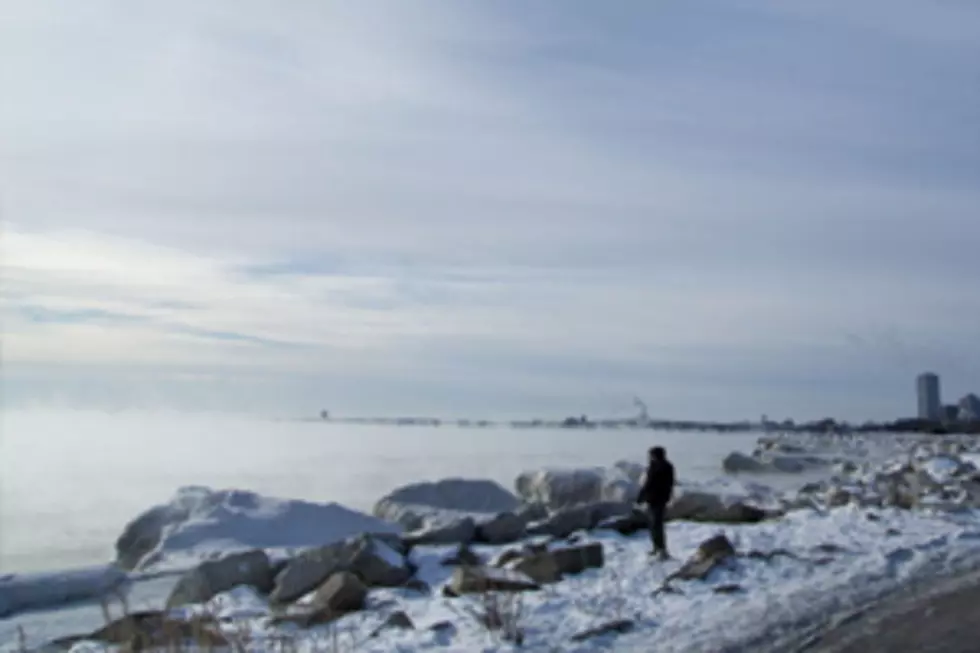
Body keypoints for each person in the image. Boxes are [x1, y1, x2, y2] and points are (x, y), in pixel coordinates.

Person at [636, 445, 675, 560]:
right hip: (657, 499)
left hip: (657, 499)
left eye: (651, 455)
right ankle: (657, 548)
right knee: (654, 525)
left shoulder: (660, 467)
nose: (650, 457)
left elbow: (649, 483)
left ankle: (661, 549)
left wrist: (641, 497)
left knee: (656, 525)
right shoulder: (665, 466)